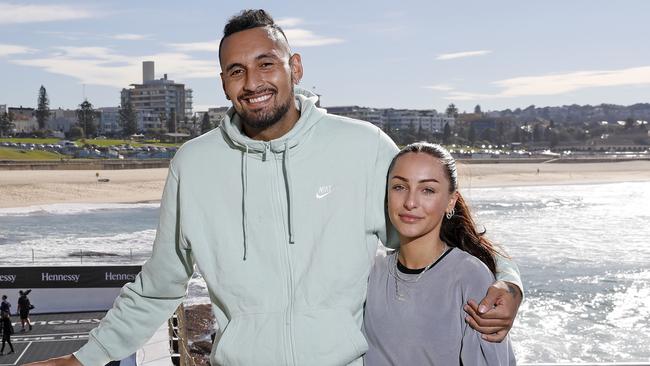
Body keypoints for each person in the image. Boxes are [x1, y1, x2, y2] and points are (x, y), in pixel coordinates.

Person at [26, 9, 522, 366]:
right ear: (223, 83)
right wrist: (84, 359)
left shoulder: (361, 145)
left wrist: (507, 281)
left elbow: (435, 231)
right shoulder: (192, 165)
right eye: (236, 70)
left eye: (267, 63)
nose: (253, 81)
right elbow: (158, 288)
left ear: (295, 68)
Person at [364, 142, 515, 365]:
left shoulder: (470, 276)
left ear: (450, 201)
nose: (410, 202)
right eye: (399, 187)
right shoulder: (372, 270)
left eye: (428, 190)